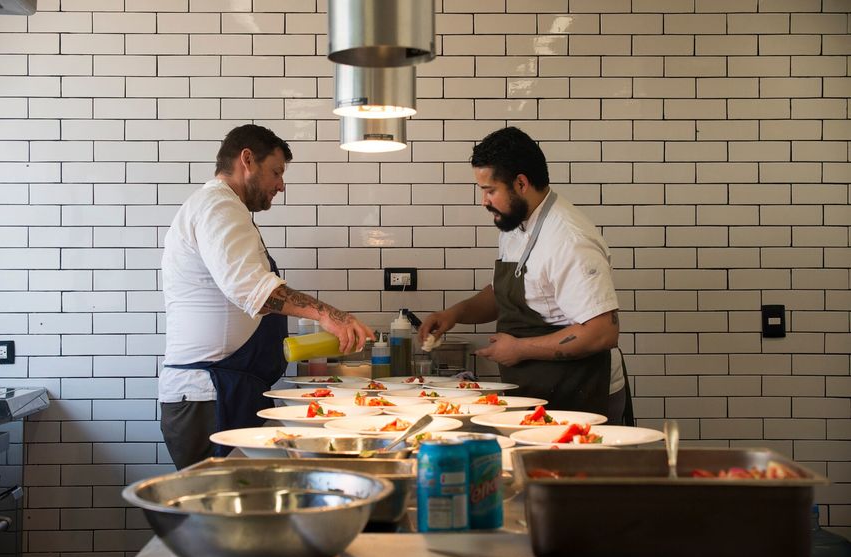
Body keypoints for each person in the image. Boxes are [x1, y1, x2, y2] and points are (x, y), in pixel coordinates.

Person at [159, 124, 374, 469]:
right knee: (221, 515)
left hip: (223, 391)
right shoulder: (218, 207)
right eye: (276, 172)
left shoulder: (224, 209)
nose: (281, 185)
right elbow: (251, 290)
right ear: (247, 159)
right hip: (209, 395)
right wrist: (328, 315)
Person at [419, 127, 633, 425]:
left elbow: (601, 332)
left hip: (580, 394)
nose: (483, 201)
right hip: (538, 391)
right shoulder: (518, 223)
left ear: (521, 183)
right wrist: (455, 313)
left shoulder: (568, 240)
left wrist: (519, 349)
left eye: (490, 190)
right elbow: (504, 292)